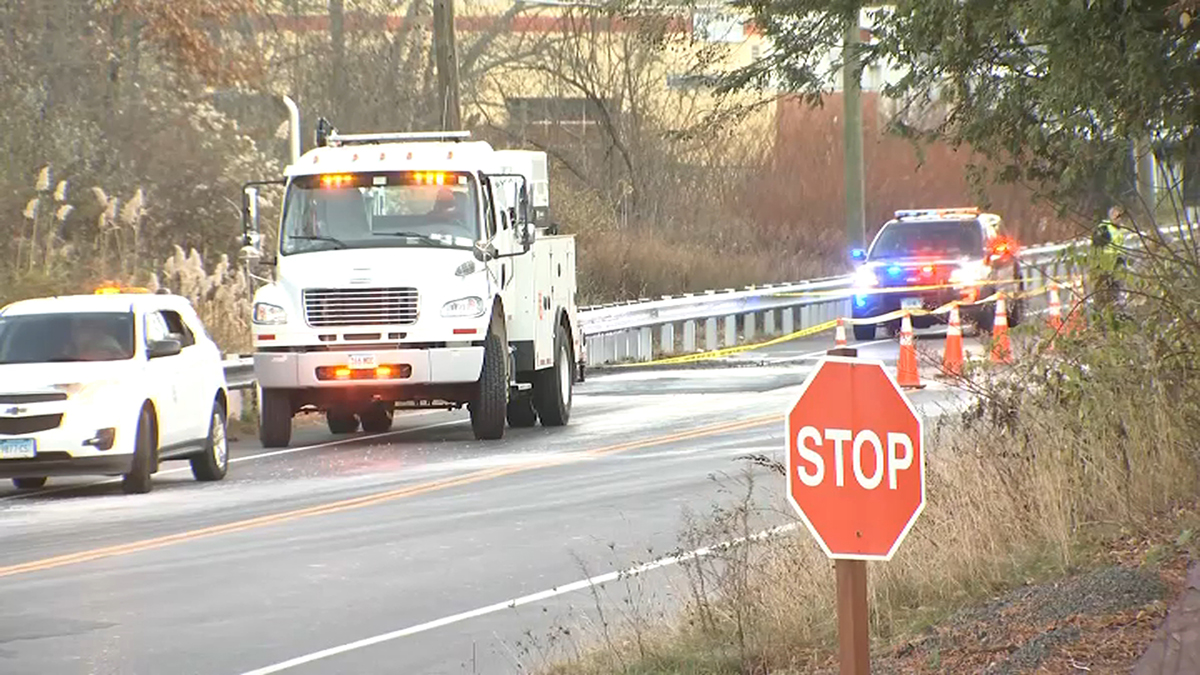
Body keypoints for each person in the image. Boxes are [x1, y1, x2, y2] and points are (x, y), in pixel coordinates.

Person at [1089, 204, 1128, 314]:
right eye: (1117, 215)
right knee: (1103, 297)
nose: (1119, 218)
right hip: (1104, 269)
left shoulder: (1120, 229)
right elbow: (1097, 249)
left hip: (1116, 268)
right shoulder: (1104, 229)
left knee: (1115, 297)